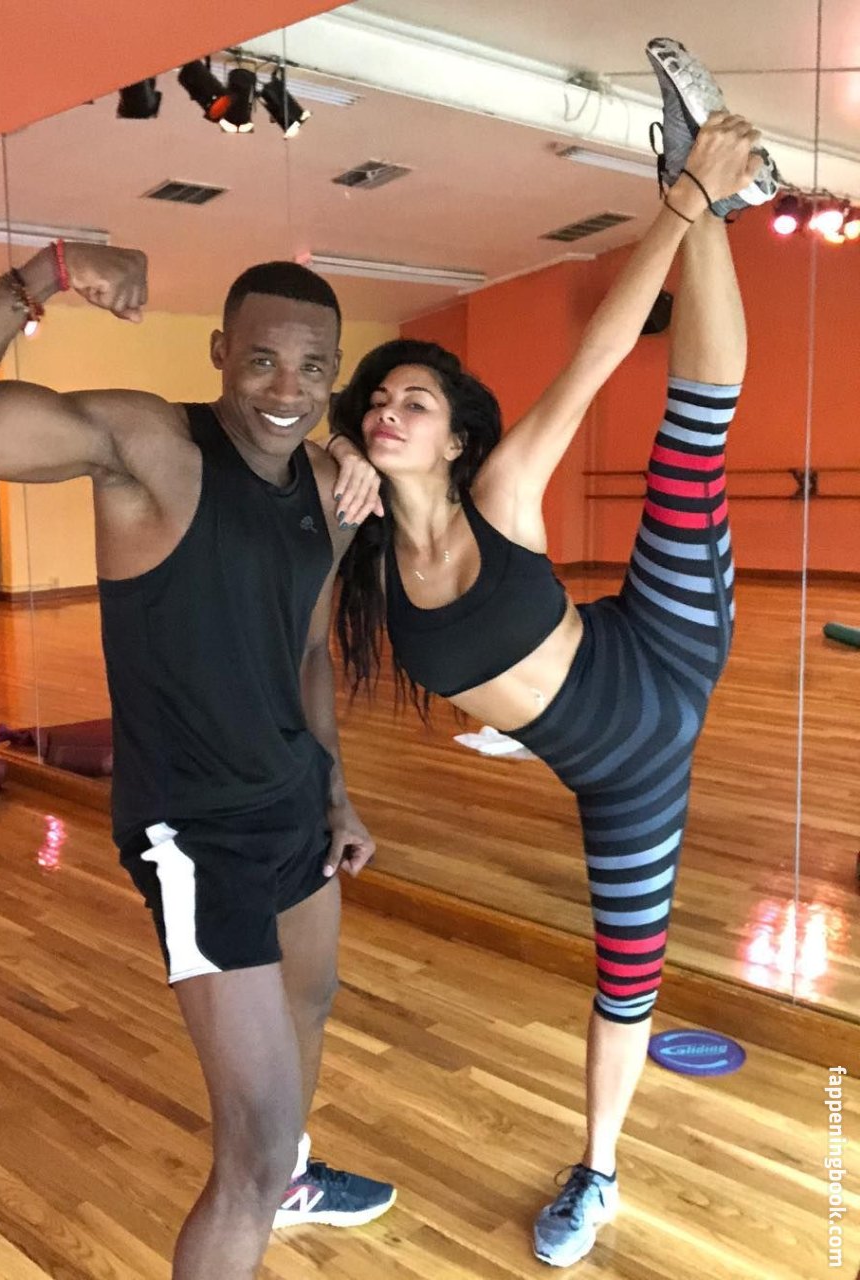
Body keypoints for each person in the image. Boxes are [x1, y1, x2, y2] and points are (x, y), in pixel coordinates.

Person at [328, 39, 778, 1269]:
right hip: (621, 777)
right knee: (625, 979)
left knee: (691, 435)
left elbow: (596, 356)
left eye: (414, 401)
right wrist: (340, 456)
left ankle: (712, 191)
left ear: (453, 435)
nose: (389, 410)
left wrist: (677, 206)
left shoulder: (502, 494)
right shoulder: (365, 555)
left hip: (663, 647)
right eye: (379, 400)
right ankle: (600, 1172)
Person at [0, 250, 392, 1279]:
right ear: (220, 352)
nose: (286, 389)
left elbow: (304, 650)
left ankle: (291, 1177)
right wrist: (46, 275)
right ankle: (270, 1178)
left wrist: (337, 793)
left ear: (334, 374)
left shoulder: (328, 487)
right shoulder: (154, 446)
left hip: (295, 806)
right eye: (261, 360)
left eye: (312, 368)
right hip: (197, 832)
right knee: (246, 1155)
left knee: (311, 1005)